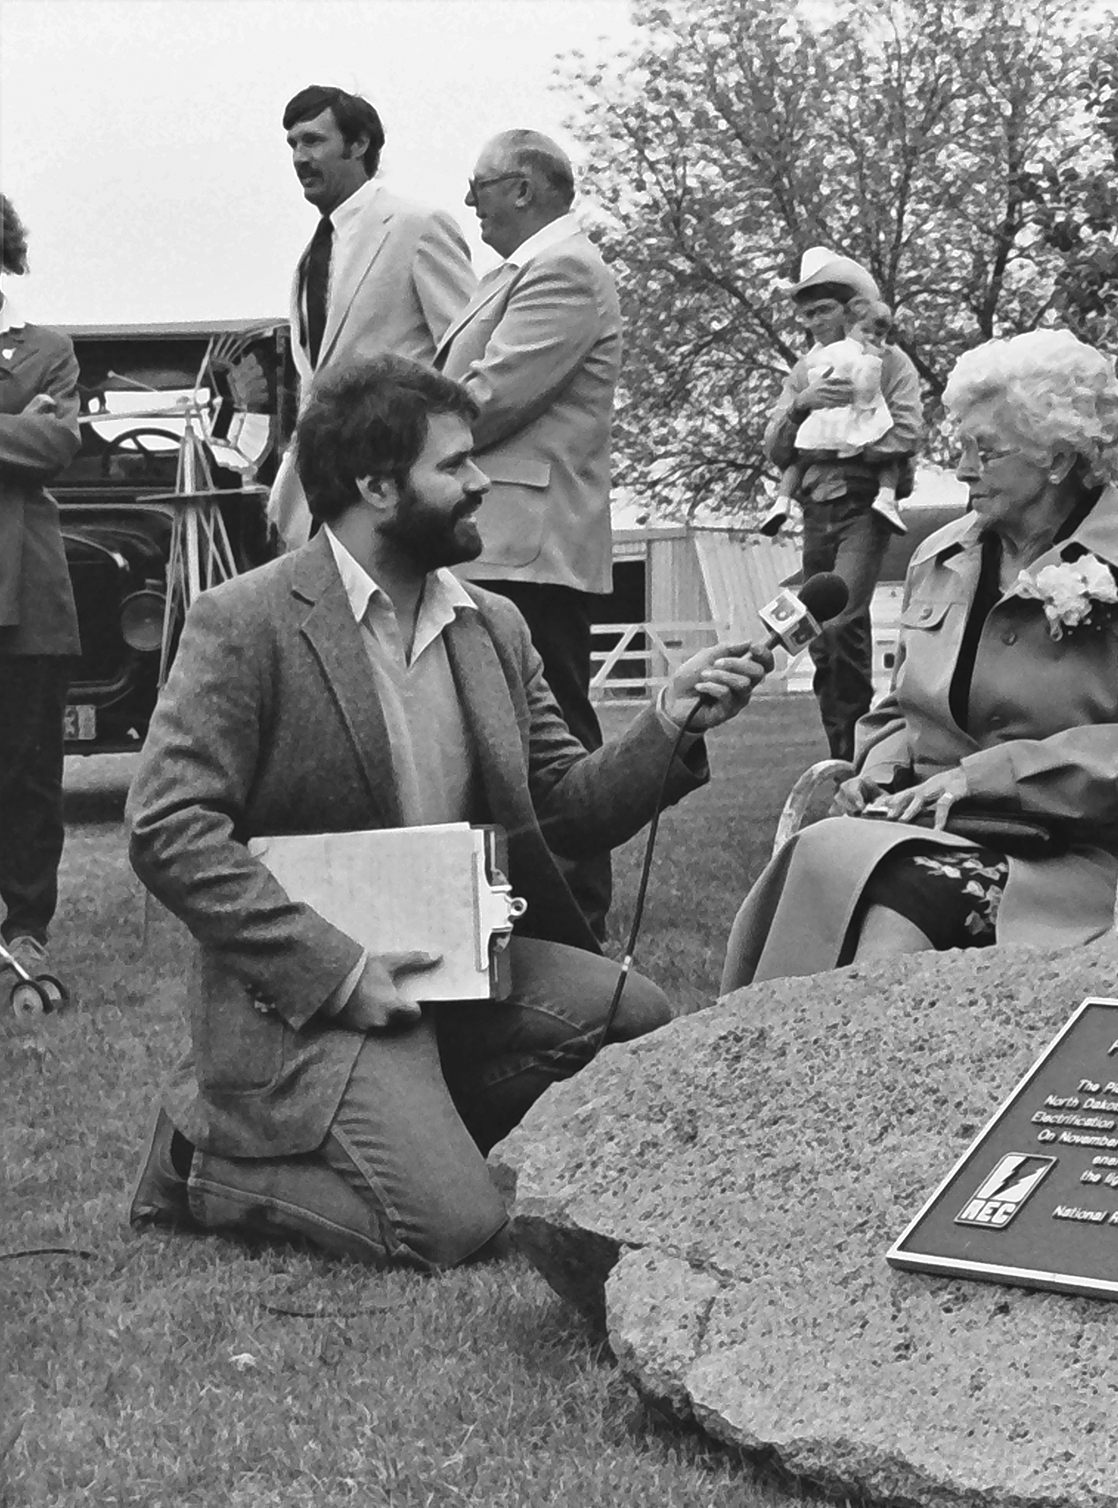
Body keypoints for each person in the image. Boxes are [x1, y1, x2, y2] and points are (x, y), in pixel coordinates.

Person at [126, 355, 771, 1270]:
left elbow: (563, 810)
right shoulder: (247, 622)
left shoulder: (494, 628)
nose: (479, 484)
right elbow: (168, 828)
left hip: (464, 974)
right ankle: (206, 1166)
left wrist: (666, 722)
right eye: (456, 465)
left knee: (631, 1013)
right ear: (378, 486)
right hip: (320, 997)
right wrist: (340, 970)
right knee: (456, 1227)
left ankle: (413, 1120)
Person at [722, 329, 1118, 991]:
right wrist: (880, 772)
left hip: (1063, 863)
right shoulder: (939, 557)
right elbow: (901, 709)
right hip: (920, 829)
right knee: (826, 858)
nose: (964, 469)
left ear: (1057, 459)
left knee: (897, 893)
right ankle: (771, 1064)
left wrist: (980, 778)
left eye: (988, 451)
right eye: (961, 447)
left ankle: (863, 1069)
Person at [439, 129, 623, 946]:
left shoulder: (566, 272)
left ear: (523, 189)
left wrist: (394, 434)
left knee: (552, 748)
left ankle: (577, 922)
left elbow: (493, 396)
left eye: (478, 185)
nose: (469, 199)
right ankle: (523, 917)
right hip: (503, 545)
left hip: (531, 551)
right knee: (500, 741)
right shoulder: (512, 275)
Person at [267, 85, 478, 549]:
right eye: (293, 145)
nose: (300, 157)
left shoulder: (416, 227)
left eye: (313, 140)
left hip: (397, 493)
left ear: (359, 143)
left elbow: (468, 353)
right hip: (322, 500)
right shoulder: (311, 255)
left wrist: (435, 461)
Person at [763, 247, 923, 762]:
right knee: (818, 632)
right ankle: (844, 754)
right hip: (815, 508)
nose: (811, 324)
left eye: (821, 311)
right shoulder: (805, 371)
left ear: (851, 308)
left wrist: (839, 446)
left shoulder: (890, 363)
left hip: (864, 504)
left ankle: (862, 756)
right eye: (804, 315)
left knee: (842, 618)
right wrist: (801, 408)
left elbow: (905, 432)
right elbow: (774, 448)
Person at [0, 194, 82, 1002]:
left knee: (28, 774)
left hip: (27, 597)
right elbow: (28, 438)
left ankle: (27, 931)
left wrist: (36, 430)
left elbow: (57, 445)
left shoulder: (48, 348)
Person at [760, 297, 908, 538]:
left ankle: (781, 502)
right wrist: (871, 360)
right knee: (889, 455)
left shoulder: (821, 353)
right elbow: (865, 389)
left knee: (801, 458)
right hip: (848, 422)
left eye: (878, 334)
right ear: (850, 327)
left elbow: (818, 372)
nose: (871, 338)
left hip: (822, 423)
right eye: (866, 331)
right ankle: (886, 496)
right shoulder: (862, 356)